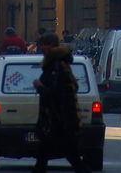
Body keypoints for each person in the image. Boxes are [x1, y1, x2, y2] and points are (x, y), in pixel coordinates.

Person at [32, 32, 90, 173]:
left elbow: (58, 93)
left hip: (59, 121)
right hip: (57, 120)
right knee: (48, 156)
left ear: (50, 46)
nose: (41, 48)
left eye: (43, 45)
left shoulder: (57, 66)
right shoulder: (55, 64)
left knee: (69, 156)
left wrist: (40, 87)